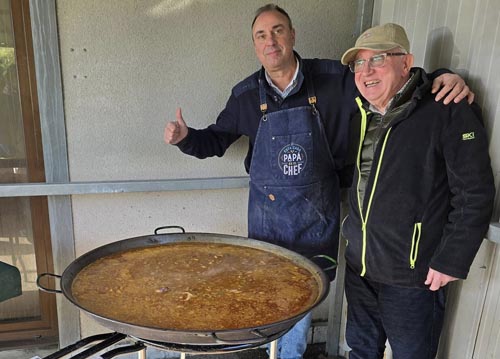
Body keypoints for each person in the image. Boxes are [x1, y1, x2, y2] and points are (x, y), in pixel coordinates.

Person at [164, 4, 472, 359]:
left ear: (292, 35)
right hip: (268, 229)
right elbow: (215, 141)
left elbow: (394, 85)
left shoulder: (334, 79)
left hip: (317, 223)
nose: (271, 41)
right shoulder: (245, 95)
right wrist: (185, 138)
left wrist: (442, 76)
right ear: (254, 45)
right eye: (261, 35)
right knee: (269, 308)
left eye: (278, 30)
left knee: (303, 307)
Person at [340, 23, 495, 359]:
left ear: (405, 62)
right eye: (359, 63)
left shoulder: (447, 109)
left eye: (377, 59)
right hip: (361, 267)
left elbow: (475, 191)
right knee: (361, 350)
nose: (366, 71)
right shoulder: (361, 114)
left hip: (413, 277)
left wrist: (452, 259)